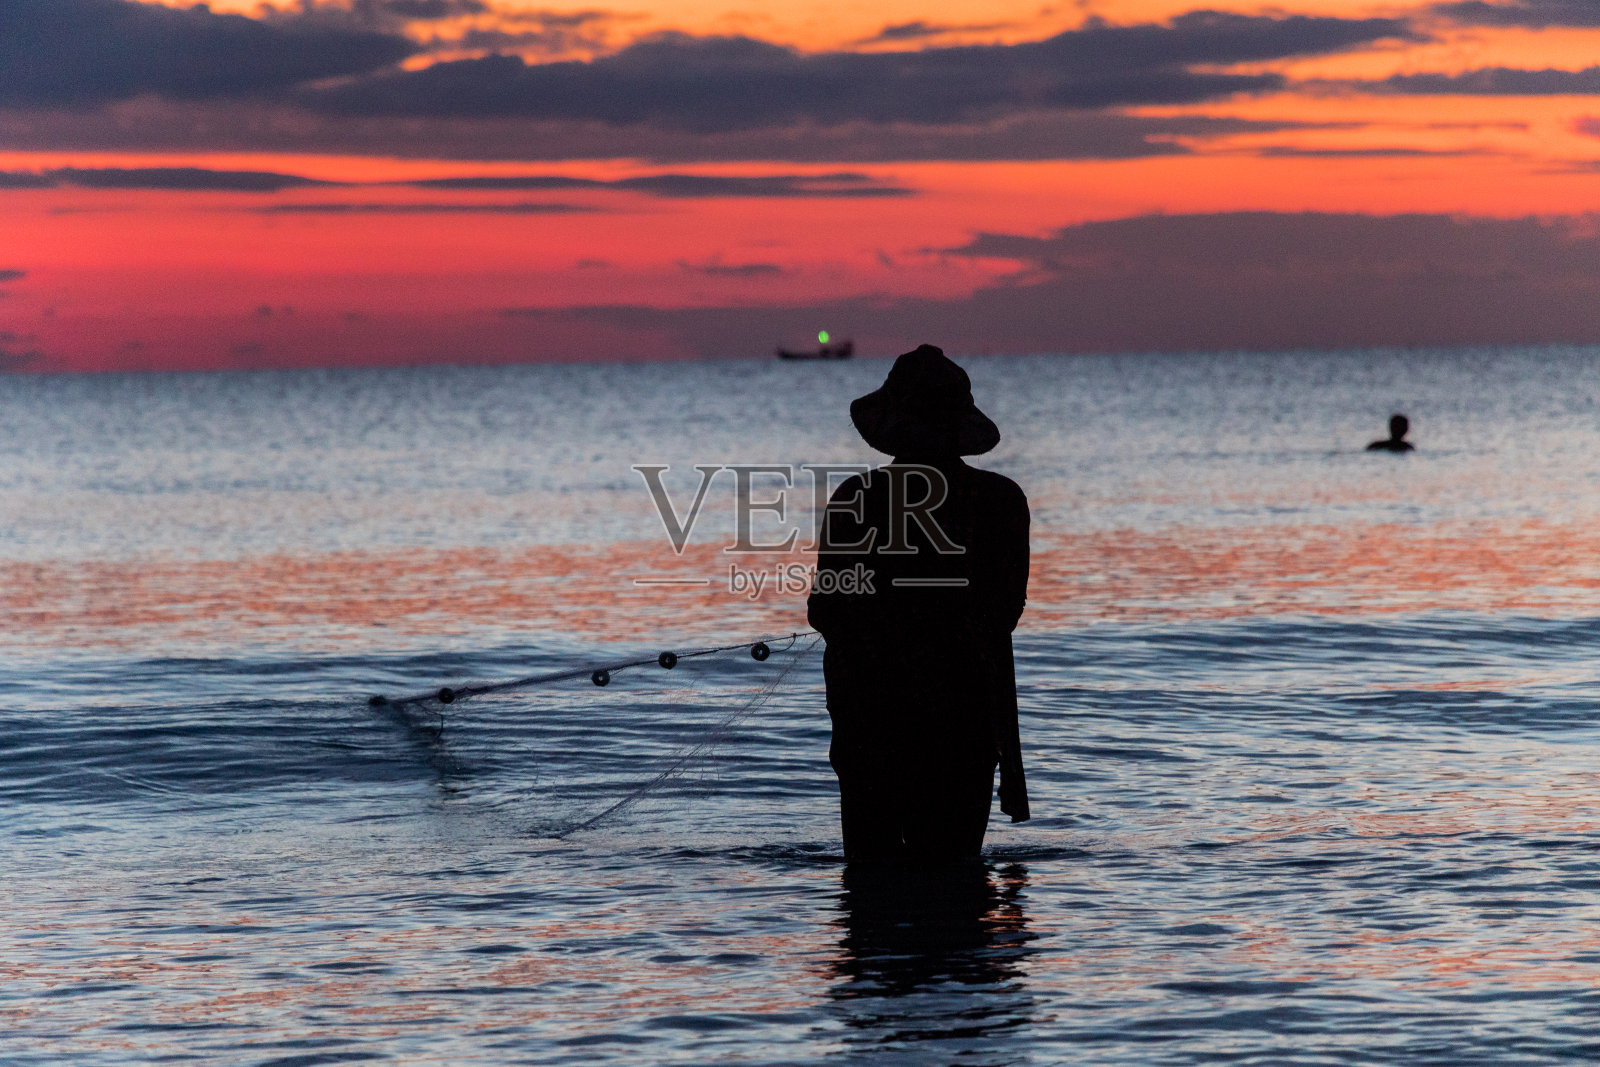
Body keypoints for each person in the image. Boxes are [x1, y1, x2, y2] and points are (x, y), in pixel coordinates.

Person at [808, 344, 1030, 864]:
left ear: (897, 424)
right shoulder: (999, 500)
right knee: (954, 883)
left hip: (869, 718)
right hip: (965, 715)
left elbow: (825, 611)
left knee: (870, 883)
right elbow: (1004, 613)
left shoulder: (857, 497)